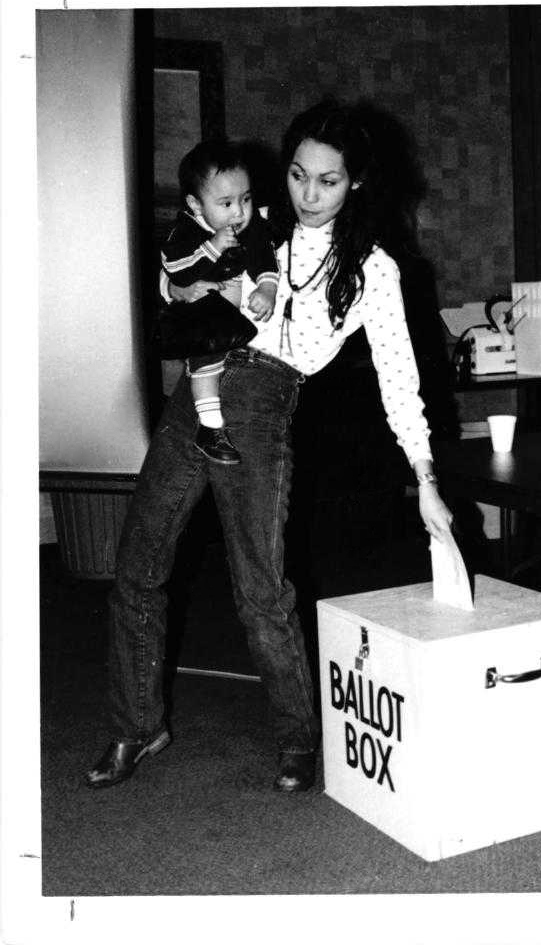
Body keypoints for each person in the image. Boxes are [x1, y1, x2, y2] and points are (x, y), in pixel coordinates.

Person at [85, 98, 453, 795]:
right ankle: (137, 725)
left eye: (328, 181)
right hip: (197, 389)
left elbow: (400, 381)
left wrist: (426, 477)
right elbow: (175, 274)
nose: (308, 196)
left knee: (259, 588)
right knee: (137, 565)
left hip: (263, 402)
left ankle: (297, 736)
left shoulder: (374, 271)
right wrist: (196, 280)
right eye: (296, 175)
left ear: (358, 184)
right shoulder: (254, 222)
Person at [160, 140, 279, 464]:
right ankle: (210, 426)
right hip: (198, 309)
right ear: (196, 206)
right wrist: (212, 247)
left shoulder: (250, 225)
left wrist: (267, 288)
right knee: (206, 357)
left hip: (232, 306)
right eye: (226, 203)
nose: (239, 212)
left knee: (225, 349)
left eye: (246, 199)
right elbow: (177, 272)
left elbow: (263, 257)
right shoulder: (183, 231)